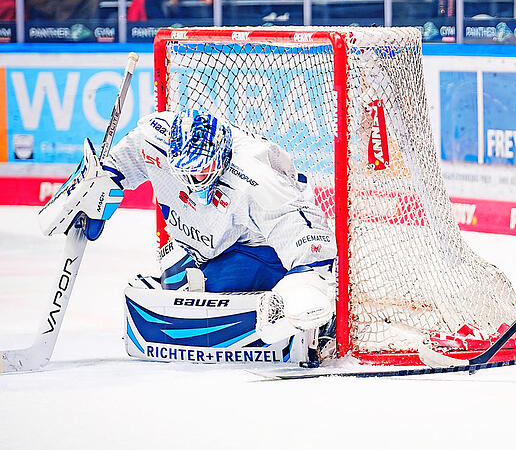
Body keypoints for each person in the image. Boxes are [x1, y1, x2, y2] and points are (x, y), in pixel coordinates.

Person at [39, 108, 336, 352]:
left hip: (254, 247)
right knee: (176, 285)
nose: (193, 180)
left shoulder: (256, 177)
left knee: (208, 295)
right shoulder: (156, 138)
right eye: (185, 170)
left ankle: (317, 320)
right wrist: (105, 180)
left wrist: (305, 284)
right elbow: (126, 158)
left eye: (202, 170)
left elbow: (306, 232)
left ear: (222, 157)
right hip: (200, 242)